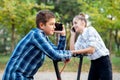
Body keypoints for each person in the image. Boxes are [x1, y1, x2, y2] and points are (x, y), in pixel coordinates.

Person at [2, 10, 74, 80]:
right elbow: (55, 55)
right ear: (42, 25)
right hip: (15, 76)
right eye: (51, 24)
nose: (54, 27)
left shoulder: (43, 37)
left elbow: (57, 52)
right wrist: (73, 53)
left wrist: (63, 35)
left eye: (54, 24)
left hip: (23, 76)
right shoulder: (36, 35)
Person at [70, 13, 112, 80]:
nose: (73, 25)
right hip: (94, 63)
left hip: (104, 62)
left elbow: (91, 50)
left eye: (75, 23)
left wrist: (75, 51)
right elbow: (73, 51)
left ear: (83, 23)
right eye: (73, 24)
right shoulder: (80, 38)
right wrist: (72, 35)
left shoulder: (90, 30)